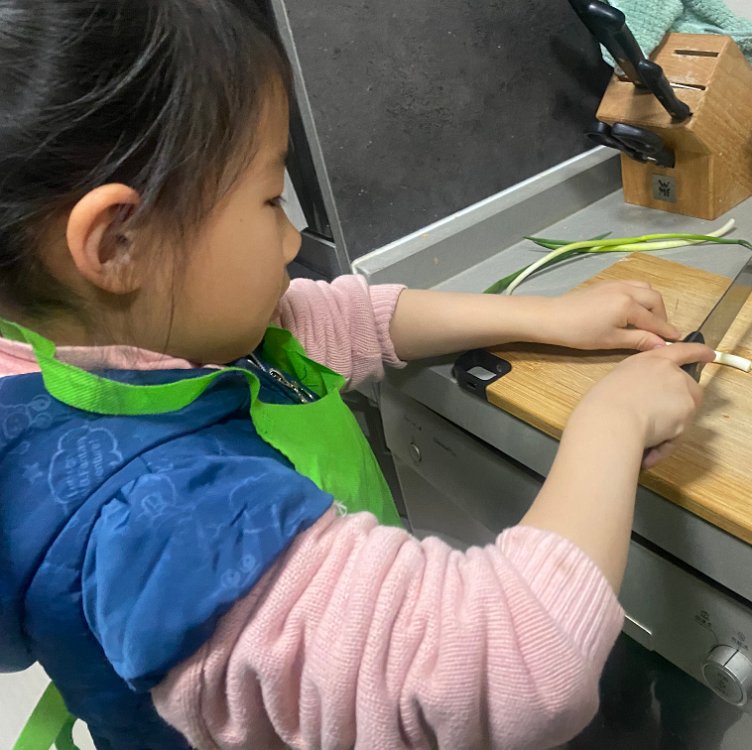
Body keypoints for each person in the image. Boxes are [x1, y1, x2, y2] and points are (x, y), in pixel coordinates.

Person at [0, 2, 714, 748]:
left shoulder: (84, 338)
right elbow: (504, 669)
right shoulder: (164, 520)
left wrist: (545, 317)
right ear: (118, 243)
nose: (290, 242)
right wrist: (612, 420)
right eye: (270, 200)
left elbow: (325, 320)